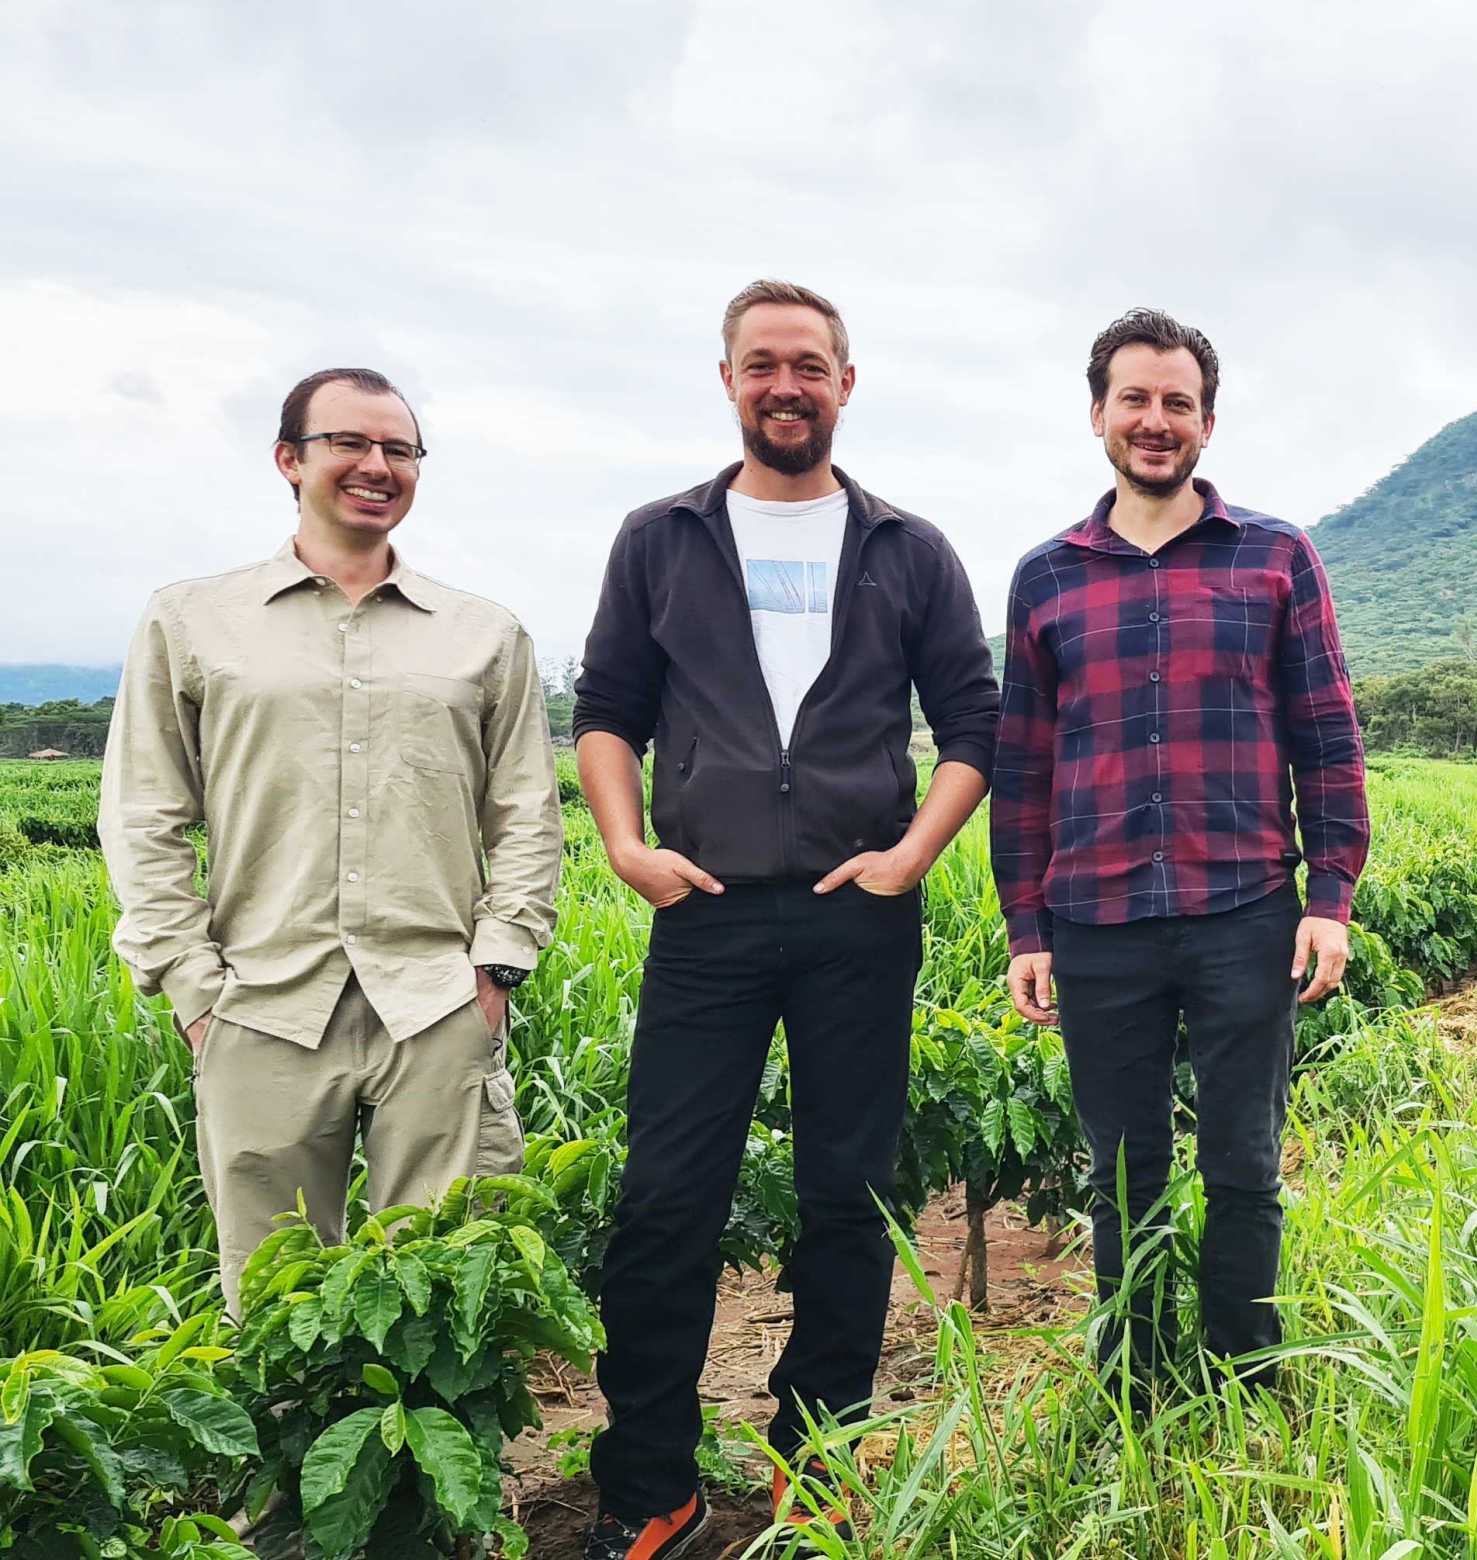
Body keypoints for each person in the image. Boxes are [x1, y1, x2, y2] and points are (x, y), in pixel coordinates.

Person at [571, 280, 1000, 1560]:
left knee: (848, 1196)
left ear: (845, 383)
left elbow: (973, 724)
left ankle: (817, 1463)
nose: (786, 385)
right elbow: (606, 707)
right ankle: (651, 1483)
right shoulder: (661, 538)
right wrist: (623, 843)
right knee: (666, 1199)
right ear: (728, 380)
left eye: (809, 364)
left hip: (852, 919)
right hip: (701, 916)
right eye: (762, 364)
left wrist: (913, 854)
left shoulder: (907, 548)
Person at [100, 367, 561, 1316]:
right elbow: (144, 813)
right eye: (348, 443)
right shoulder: (193, 620)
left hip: (434, 1004)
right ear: (289, 460)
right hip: (259, 1003)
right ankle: (288, 1472)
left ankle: (424, 1470)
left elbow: (525, 815)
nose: (375, 466)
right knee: (275, 1303)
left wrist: (496, 970)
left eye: (399, 449)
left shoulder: (484, 634)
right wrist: (193, 988)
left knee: (441, 1292)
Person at [995, 308, 1370, 1400]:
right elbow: (1022, 765)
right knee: (1122, 1178)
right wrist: (1027, 924)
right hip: (1097, 921)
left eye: (1177, 404)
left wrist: (1329, 895)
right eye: (1134, 400)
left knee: (1244, 1167)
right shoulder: (1046, 576)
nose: (1154, 422)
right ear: (1098, 414)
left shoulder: (1274, 556)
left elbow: (1326, 735)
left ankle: (1247, 1380)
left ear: (1207, 421)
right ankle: (1134, 1389)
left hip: (1244, 910)